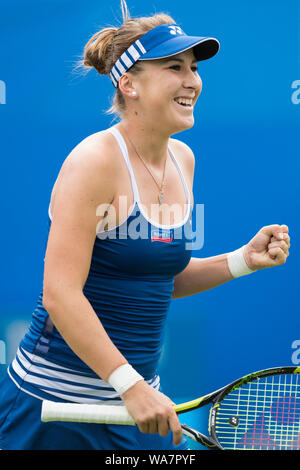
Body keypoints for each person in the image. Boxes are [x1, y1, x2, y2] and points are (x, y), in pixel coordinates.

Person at [0, 0, 290, 450]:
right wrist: (130, 386)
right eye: (174, 66)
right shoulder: (93, 162)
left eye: (193, 67)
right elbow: (60, 294)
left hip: (136, 404)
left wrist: (242, 261)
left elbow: (159, 280)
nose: (192, 80)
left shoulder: (183, 160)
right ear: (130, 85)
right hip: (55, 407)